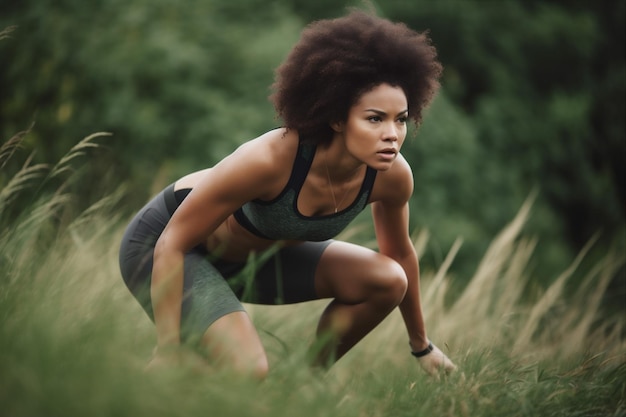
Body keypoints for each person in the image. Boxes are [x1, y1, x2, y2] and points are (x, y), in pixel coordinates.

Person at [118, 10, 456, 379]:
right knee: (248, 371)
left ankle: (301, 382)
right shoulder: (269, 160)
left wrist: (422, 346)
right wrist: (169, 350)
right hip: (167, 247)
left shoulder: (391, 177)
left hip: (253, 261)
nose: (392, 134)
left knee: (389, 279)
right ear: (337, 118)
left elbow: (400, 253)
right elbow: (173, 243)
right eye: (375, 119)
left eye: (401, 119)